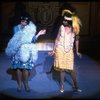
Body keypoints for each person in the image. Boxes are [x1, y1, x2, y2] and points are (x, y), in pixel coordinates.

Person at [5, 14, 46, 92]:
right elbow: (17, 39)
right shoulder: (16, 28)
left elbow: (32, 40)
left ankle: (26, 84)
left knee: (25, 69)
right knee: (18, 68)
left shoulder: (30, 29)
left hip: (26, 51)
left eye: (25, 22)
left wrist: (39, 34)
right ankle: (20, 84)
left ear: (28, 22)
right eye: (22, 21)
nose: (23, 23)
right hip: (17, 50)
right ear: (20, 21)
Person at [48, 9, 82, 93]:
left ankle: (76, 85)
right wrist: (53, 50)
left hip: (69, 50)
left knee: (71, 69)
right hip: (60, 49)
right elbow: (57, 39)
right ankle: (62, 85)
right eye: (64, 20)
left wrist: (77, 51)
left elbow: (77, 40)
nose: (64, 21)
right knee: (62, 69)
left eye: (66, 20)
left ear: (70, 21)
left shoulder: (75, 29)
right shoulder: (61, 27)